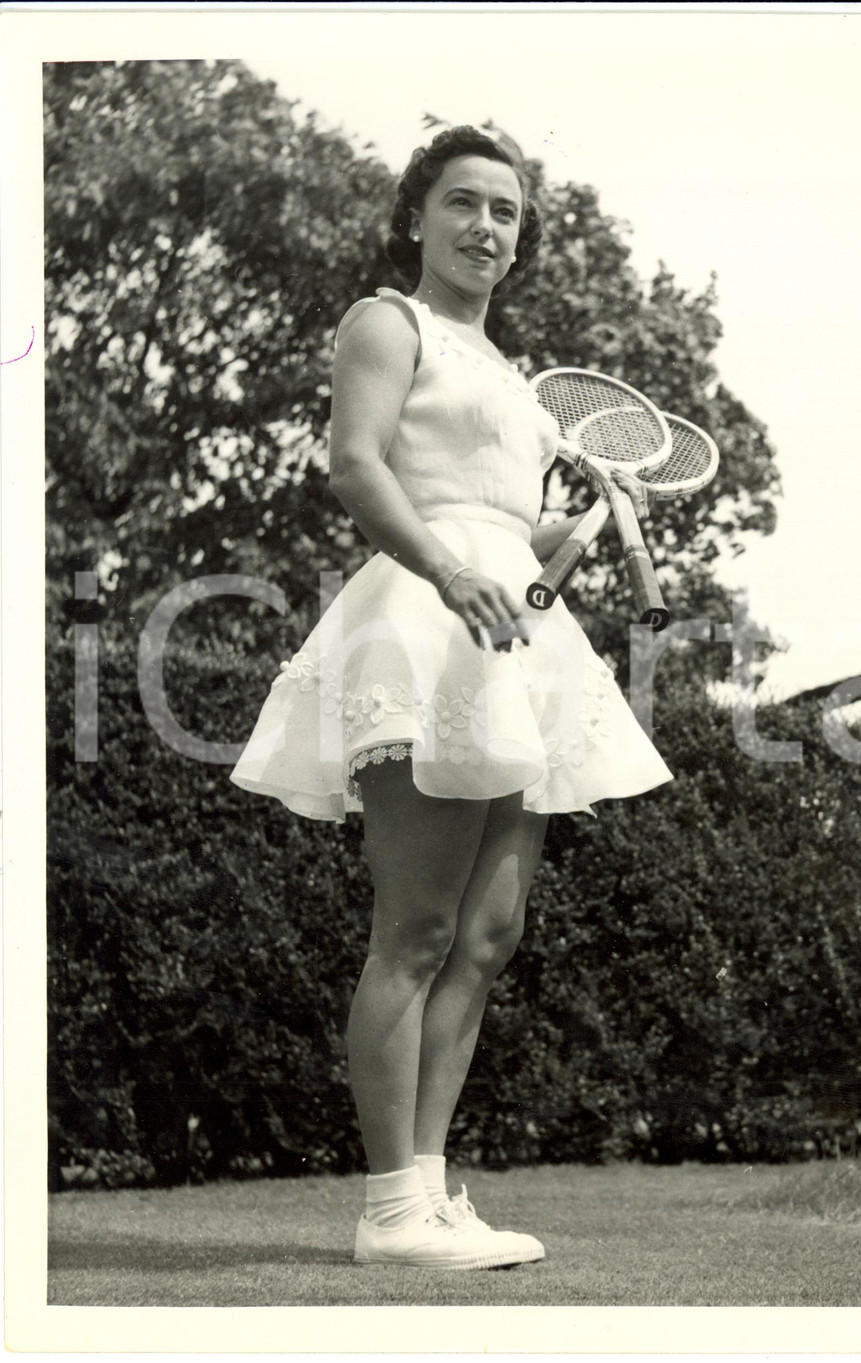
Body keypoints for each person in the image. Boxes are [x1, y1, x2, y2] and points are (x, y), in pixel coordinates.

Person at [230, 125, 672, 1270]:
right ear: (417, 217)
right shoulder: (389, 322)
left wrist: (571, 530)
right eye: (465, 203)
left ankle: (427, 1195)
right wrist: (449, 569)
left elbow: (520, 550)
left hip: (512, 631)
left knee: (486, 933)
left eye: (507, 213)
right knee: (415, 930)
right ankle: (387, 1211)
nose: (487, 228)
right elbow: (359, 466)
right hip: (422, 621)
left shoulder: (519, 384)